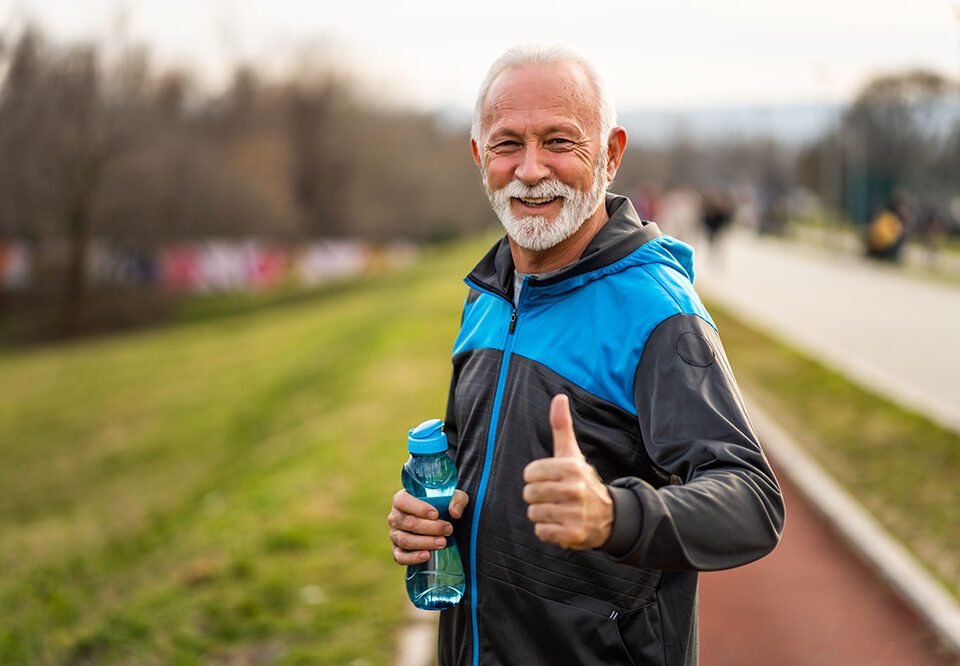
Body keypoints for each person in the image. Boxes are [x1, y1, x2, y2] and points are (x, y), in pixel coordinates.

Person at [387, 45, 784, 666]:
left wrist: (613, 515)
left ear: (611, 155)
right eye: (507, 144)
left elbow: (752, 500)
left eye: (560, 141)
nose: (530, 169)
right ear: (478, 157)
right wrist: (428, 517)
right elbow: (473, 475)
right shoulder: (487, 294)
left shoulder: (655, 311)